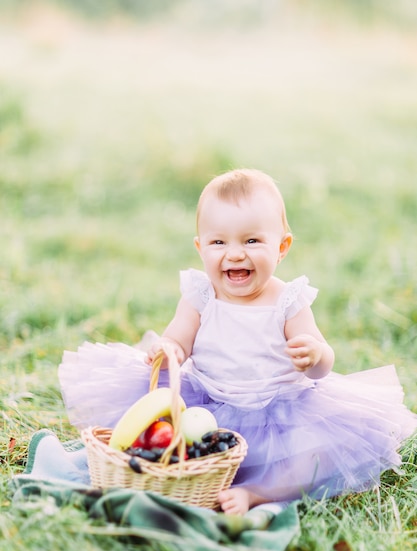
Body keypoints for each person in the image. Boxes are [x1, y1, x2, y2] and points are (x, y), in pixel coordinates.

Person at [59, 168, 416, 515]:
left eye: (252, 240)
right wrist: (169, 349)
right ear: (200, 248)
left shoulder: (288, 301)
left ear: (282, 247)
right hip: (209, 403)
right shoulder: (201, 295)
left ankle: (257, 492)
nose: (234, 253)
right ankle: (188, 476)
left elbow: (324, 366)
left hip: (281, 411)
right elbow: (178, 341)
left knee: (316, 454)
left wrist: (315, 354)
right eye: (218, 242)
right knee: (162, 427)